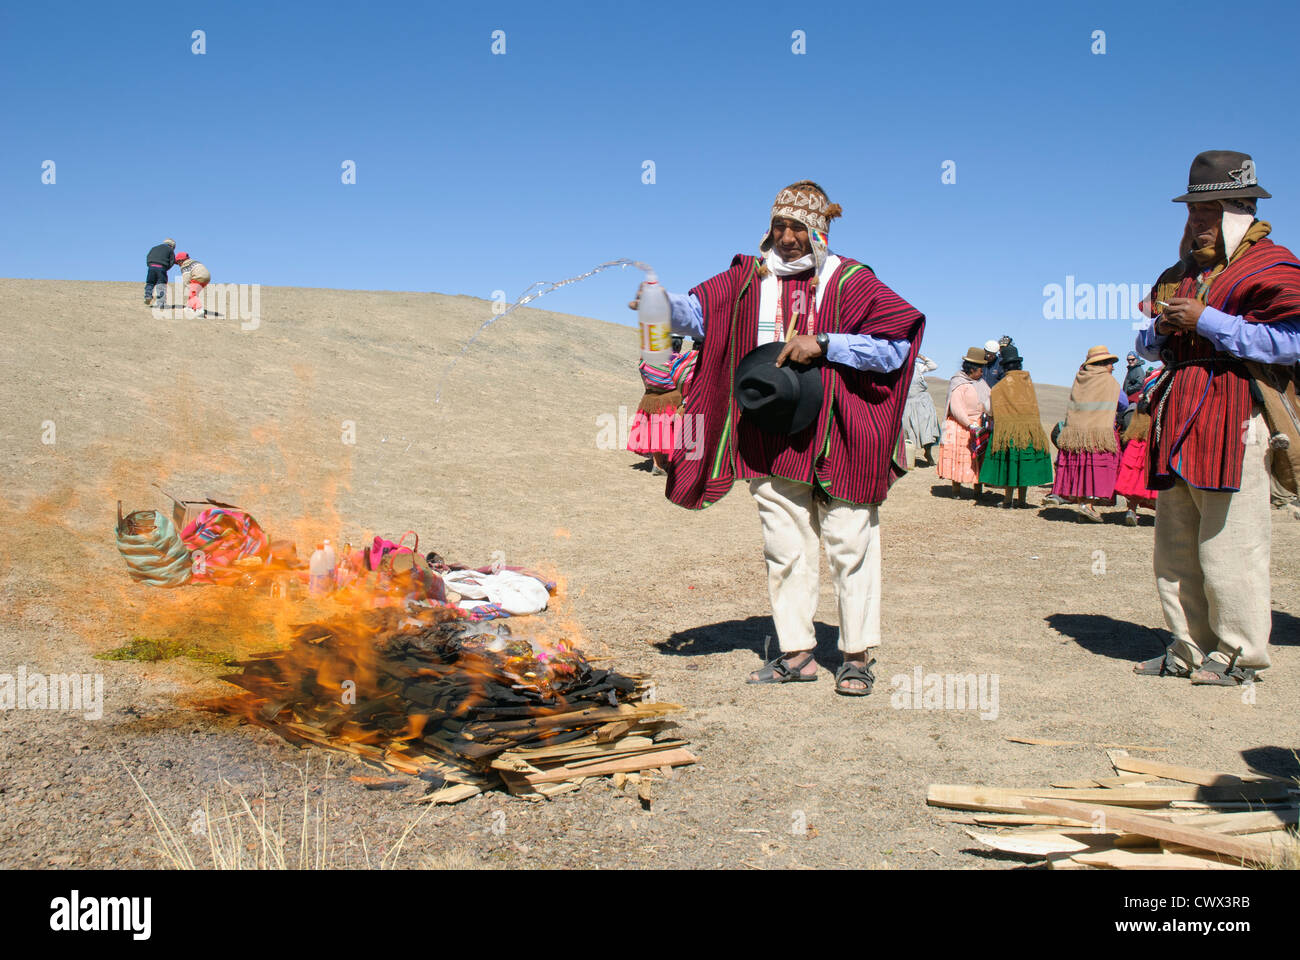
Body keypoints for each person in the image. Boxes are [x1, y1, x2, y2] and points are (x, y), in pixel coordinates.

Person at [634, 180, 924, 696]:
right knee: (784, 547)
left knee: (849, 542)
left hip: (843, 431)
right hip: (770, 432)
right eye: (779, 226)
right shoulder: (747, 279)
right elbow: (699, 316)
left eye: (798, 227)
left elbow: (895, 348)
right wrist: (660, 304)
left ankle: (855, 656)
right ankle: (798, 654)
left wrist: (829, 344)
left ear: (820, 230)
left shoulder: (852, 281)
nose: (787, 237)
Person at [1132, 150, 1300, 685]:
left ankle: (1240, 654)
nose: (1196, 223)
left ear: (1239, 209)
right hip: (1180, 413)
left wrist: (1211, 321)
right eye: (1192, 212)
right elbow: (1146, 344)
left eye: (1207, 212)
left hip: (1236, 413)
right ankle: (1186, 647)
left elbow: (1290, 342)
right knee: (1176, 542)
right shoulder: (1179, 275)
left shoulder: (1273, 266)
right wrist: (1160, 332)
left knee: (1232, 543)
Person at [1050, 345, 1128, 521]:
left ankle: (1083, 505)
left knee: (1081, 468)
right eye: (1111, 363)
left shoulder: (1079, 379)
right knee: (1094, 469)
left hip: (1076, 434)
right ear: (1103, 363)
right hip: (1099, 434)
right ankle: (1088, 505)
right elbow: (1123, 404)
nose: (1113, 367)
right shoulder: (1109, 382)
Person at [978, 344, 1052, 507]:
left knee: (1010, 464)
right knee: (1022, 464)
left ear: (1004, 366)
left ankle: (1007, 500)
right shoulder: (1028, 384)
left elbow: (989, 409)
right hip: (1029, 432)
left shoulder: (1000, 387)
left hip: (1007, 432)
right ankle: (1022, 500)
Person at [628, 335, 696, 475]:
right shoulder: (679, 361)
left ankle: (658, 464)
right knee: (672, 434)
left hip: (649, 400)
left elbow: (643, 375)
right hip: (672, 402)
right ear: (679, 345)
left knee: (655, 433)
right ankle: (671, 465)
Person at [937, 348, 988, 498]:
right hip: (960, 425)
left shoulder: (981, 384)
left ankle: (978, 489)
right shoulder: (958, 383)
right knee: (959, 457)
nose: (982, 372)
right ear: (972, 369)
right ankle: (956, 489)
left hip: (978, 424)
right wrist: (968, 423)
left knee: (978, 457)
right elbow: (956, 406)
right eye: (980, 369)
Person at [1114, 391, 1159, 525]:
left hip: (1136, 441)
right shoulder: (1158, 397)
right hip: (1152, 443)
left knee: (1134, 479)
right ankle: (1161, 515)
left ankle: (1131, 510)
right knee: (1153, 479)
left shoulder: (1142, 400)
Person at [902, 354, 941, 466]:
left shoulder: (918, 366)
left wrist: (921, 357)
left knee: (926, 428)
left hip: (922, 403)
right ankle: (910, 457)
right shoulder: (899, 369)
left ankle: (927, 453)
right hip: (908, 403)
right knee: (908, 430)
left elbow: (933, 366)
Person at [144, 238, 175, 306]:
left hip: (151, 266)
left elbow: (148, 256)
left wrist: (150, 265)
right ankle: (161, 302)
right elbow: (172, 261)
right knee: (161, 285)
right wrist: (166, 268)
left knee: (150, 283)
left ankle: (148, 296)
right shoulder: (170, 250)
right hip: (161, 267)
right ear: (172, 246)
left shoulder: (154, 248)